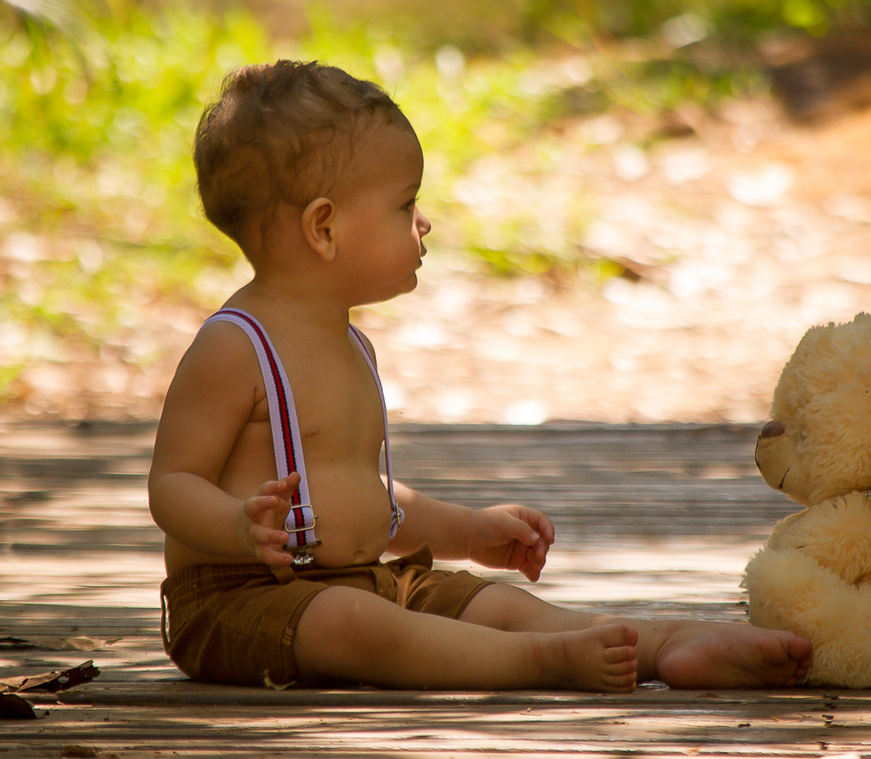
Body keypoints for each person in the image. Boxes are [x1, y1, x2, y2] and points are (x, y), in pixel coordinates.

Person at [148, 60, 812, 693]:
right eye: (404, 203)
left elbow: (362, 491)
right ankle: (537, 663)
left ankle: (661, 642)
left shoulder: (350, 343)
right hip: (241, 600)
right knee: (354, 625)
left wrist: (465, 530)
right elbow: (172, 482)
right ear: (323, 227)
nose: (423, 219)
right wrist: (237, 525)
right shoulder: (236, 346)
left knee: (489, 600)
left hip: (356, 578)